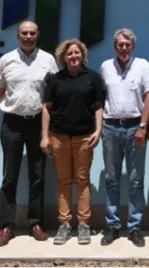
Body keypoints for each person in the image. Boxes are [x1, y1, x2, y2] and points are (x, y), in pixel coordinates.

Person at [0, 20, 58, 246]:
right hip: (12, 123)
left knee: (37, 176)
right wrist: (16, 104)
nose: (28, 36)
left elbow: (53, 92)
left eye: (32, 33)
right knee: (9, 176)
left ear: (38, 35)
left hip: (38, 124)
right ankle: (7, 226)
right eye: (24, 33)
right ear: (18, 36)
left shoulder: (48, 60)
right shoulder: (6, 60)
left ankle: (35, 223)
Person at [41, 38, 105, 246]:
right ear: (63, 57)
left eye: (77, 52)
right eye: (70, 53)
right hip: (59, 136)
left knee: (82, 180)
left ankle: (84, 224)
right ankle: (65, 224)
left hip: (84, 137)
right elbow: (46, 108)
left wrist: (98, 130)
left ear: (82, 54)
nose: (74, 56)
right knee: (63, 181)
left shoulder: (93, 78)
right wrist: (45, 136)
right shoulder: (55, 79)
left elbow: (98, 106)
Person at [99, 28, 149, 248]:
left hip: (135, 128)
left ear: (133, 46)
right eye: (120, 45)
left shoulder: (143, 65)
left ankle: (134, 227)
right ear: (115, 46)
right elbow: (101, 98)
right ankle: (112, 226)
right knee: (111, 179)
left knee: (135, 180)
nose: (124, 48)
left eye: (128, 45)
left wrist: (144, 126)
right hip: (111, 127)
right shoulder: (106, 67)